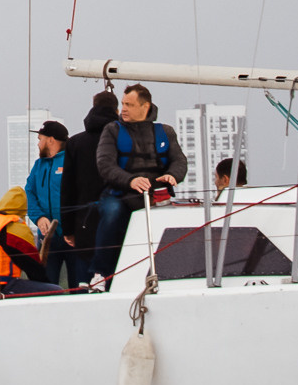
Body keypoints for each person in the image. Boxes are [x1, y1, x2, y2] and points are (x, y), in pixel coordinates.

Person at [92, 84, 187, 273]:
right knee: (112, 213)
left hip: (155, 195)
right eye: (123, 103)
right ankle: (101, 273)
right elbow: (105, 164)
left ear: (145, 107)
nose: (124, 109)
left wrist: (172, 175)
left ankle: (175, 270)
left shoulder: (165, 132)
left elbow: (180, 162)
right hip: (120, 194)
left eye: (130, 104)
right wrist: (131, 180)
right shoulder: (112, 130)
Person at [61, 90, 118, 286]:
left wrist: (67, 228)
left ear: (93, 106)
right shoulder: (122, 139)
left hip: (84, 222)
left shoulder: (76, 143)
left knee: (83, 284)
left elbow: (67, 188)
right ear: (117, 109)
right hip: (118, 220)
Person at [22, 121, 71, 283]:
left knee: (79, 287)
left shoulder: (71, 161)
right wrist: (39, 217)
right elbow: (29, 193)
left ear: (50, 140)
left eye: (40, 139)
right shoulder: (38, 165)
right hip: (47, 238)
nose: (38, 143)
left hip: (73, 236)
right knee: (45, 285)